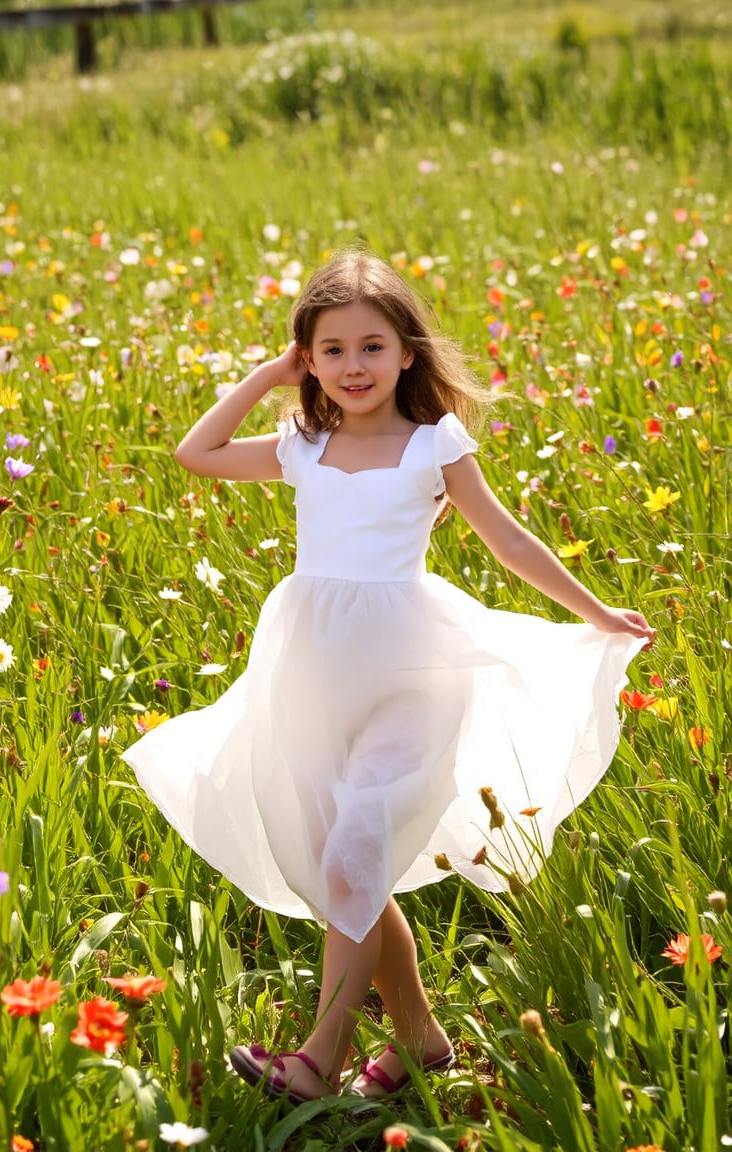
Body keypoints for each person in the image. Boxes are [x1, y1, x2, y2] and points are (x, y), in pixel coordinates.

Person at [123, 248, 653, 1105]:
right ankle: (423, 1042)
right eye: (330, 350)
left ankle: (318, 1057)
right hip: (312, 672)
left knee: (358, 847)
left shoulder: (432, 444)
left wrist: (596, 614)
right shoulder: (303, 444)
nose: (352, 366)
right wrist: (266, 375)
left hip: (412, 668)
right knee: (349, 869)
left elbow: (509, 540)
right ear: (309, 361)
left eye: (372, 346)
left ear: (408, 352)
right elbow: (197, 451)